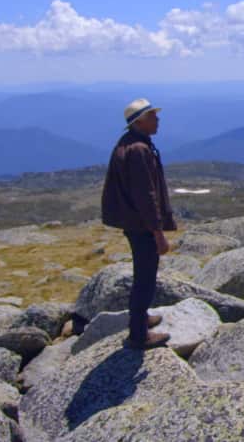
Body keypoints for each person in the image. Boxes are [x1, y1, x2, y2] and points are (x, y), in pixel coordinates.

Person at [101, 98, 177, 349]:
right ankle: (139, 335)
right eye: (153, 116)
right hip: (142, 226)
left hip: (134, 223)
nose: (158, 120)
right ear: (140, 121)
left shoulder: (131, 144)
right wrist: (158, 233)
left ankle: (141, 318)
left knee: (143, 274)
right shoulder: (139, 151)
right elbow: (146, 196)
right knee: (144, 278)